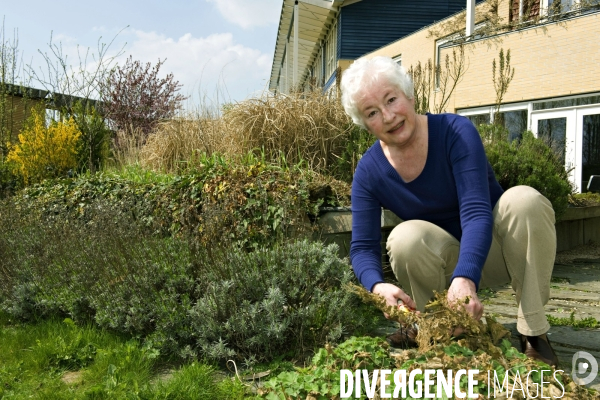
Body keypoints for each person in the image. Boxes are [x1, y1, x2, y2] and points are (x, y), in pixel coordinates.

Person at [340, 56, 559, 367]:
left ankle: (534, 333)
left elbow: (475, 211)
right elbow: (362, 248)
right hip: (443, 264)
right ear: (364, 124)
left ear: (409, 95)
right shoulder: (369, 172)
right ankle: (441, 328)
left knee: (524, 201)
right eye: (372, 112)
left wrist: (466, 278)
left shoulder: (455, 131)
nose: (388, 116)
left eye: (391, 99)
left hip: (499, 251)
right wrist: (378, 286)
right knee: (405, 238)